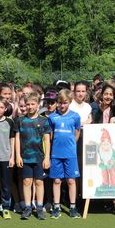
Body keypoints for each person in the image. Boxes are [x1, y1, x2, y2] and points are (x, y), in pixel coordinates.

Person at [14, 92, 51, 220]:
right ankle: (28, 208)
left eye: (32, 104)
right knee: (27, 181)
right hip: (25, 157)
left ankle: (39, 208)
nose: (30, 106)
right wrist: (17, 156)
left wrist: (47, 157)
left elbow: (47, 140)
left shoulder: (44, 120)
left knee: (39, 182)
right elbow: (17, 139)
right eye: (27, 104)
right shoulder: (20, 120)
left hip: (39, 157)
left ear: (38, 105)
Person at [48, 89, 81, 219]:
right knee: (56, 180)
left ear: (70, 102)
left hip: (70, 154)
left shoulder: (75, 116)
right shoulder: (52, 117)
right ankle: (57, 207)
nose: (62, 105)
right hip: (56, 154)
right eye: (60, 103)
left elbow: (77, 133)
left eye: (65, 103)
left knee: (71, 180)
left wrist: (71, 145)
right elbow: (50, 135)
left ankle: (73, 207)